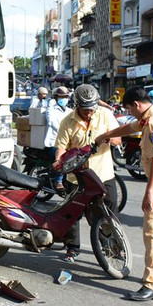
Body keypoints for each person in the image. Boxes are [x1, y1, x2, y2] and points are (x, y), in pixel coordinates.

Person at [95, 87, 153, 301]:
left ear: (136, 104)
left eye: (129, 108)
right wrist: (107, 135)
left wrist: (150, 191)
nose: (130, 112)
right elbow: (130, 127)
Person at [54, 84, 121, 262]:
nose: (89, 113)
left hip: (103, 175)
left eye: (92, 109)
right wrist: (58, 161)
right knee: (71, 215)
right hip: (76, 178)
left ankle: (112, 246)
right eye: (85, 110)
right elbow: (61, 147)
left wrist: (107, 137)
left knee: (109, 213)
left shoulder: (105, 115)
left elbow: (118, 139)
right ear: (77, 106)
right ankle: (72, 248)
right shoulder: (67, 121)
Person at [45, 86, 71, 191]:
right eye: (61, 97)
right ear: (56, 98)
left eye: (65, 97)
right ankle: (59, 181)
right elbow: (52, 122)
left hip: (68, 142)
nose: (64, 99)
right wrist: (65, 131)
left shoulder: (70, 111)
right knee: (63, 157)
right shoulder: (51, 110)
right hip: (53, 143)